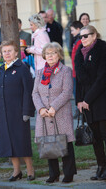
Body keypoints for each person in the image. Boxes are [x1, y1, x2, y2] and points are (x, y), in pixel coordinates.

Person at [0, 40, 35, 181]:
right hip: (3, 112)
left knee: (22, 141)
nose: (7, 53)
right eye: (4, 51)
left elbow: (29, 91)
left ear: (16, 52)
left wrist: (27, 111)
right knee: (8, 142)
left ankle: (30, 170)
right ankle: (16, 171)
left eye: (10, 51)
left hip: (19, 112)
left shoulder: (22, 68)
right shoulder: (1, 69)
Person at [75, 25, 106, 180]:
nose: (83, 39)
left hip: (101, 99)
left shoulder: (102, 52)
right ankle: (101, 166)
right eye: (81, 36)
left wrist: (87, 99)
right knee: (95, 136)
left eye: (86, 36)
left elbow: (102, 79)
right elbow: (77, 80)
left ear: (94, 36)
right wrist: (79, 100)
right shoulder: (79, 54)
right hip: (86, 102)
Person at [32, 42, 77, 183]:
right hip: (44, 114)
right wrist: (40, 108)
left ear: (59, 55)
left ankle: (69, 173)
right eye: (48, 53)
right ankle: (54, 174)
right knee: (49, 143)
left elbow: (67, 91)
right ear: (44, 55)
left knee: (65, 142)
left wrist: (53, 107)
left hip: (60, 112)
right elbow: (35, 93)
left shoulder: (65, 71)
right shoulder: (39, 72)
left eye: (54, 53)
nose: (50, 56)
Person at [70, 21, 83, 118]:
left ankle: (80, 112)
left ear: (78, 29)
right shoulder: (76, 40)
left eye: (72, 30)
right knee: (76, 92)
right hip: (75, 72)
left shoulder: (79, 41)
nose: (71, 32)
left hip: (77, 73)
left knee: (78, 92)